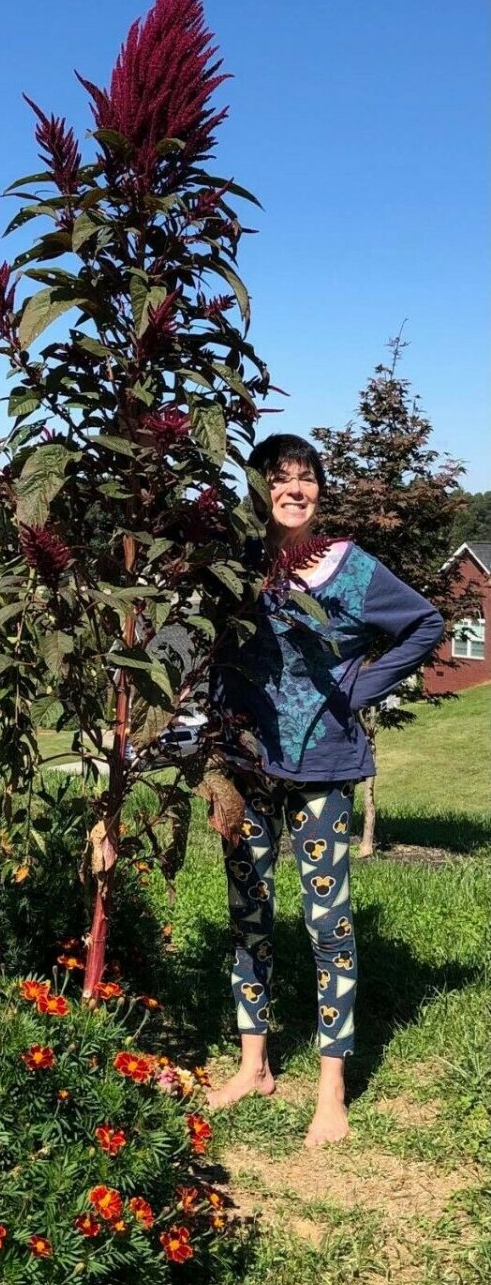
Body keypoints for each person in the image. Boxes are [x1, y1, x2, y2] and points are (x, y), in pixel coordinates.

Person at [207, 433, 444, 1146]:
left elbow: (424, 623)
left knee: (325, 923)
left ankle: (330, 1088)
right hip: (247, 765)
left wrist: (358, 687)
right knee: (248, 911)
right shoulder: (237, 567)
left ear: (318, 490)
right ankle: (255, 1066)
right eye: (278, 478)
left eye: (304, 478)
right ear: (260, 490)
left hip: (325, 767)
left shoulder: (351, 567)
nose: (293, 489)